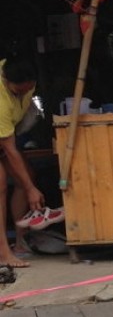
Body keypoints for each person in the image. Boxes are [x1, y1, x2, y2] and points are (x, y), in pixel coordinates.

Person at [1, 58, 47, 269]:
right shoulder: (1, 100)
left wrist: (28, 186)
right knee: (0, 185)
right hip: (5, 138)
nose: (22, 93)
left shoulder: (26, 79)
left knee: (25, 175)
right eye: (17, 91)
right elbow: (9, 149)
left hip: (6, 135)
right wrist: (31, 190)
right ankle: (4, 253)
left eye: (27, 89)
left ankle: (20, 244)